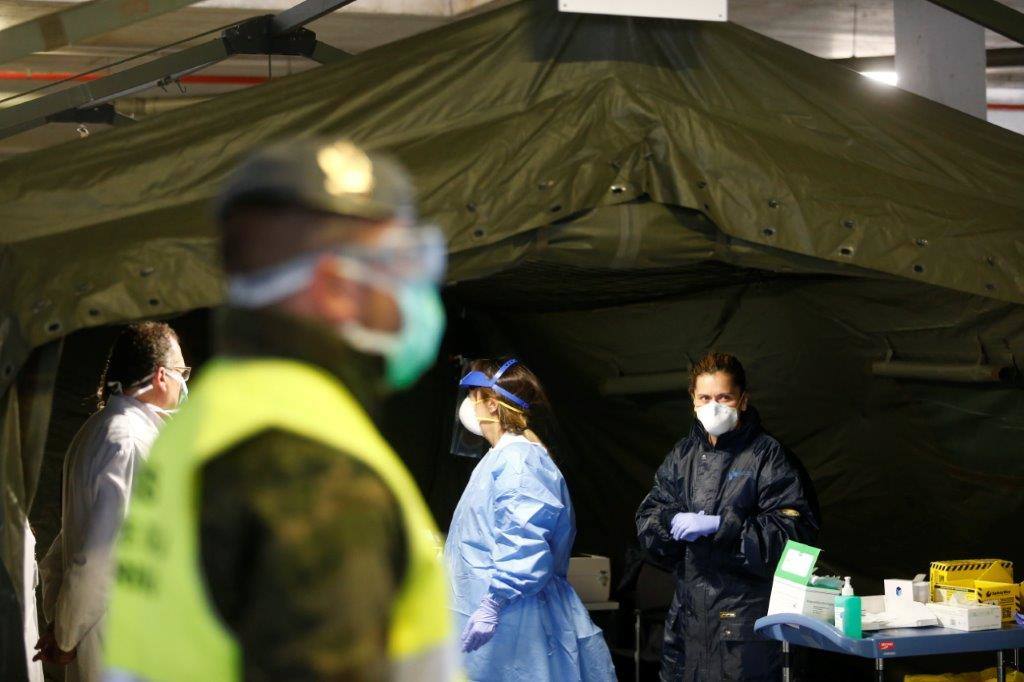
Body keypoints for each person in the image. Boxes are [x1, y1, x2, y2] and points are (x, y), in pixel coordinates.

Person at [103, 139, 459, 681]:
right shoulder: (311, 467)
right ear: (338, 287)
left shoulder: (214, 415)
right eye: (400, 263)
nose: (417, 289)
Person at [636, 352, 819, 682]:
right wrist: (668, 525)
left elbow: (796, 536)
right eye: (705, 397)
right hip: (688, 628)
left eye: (724, 397)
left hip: (745, 631)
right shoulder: (681, 456)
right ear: (693, 400)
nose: (714, 406)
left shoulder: (768, 457)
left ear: (743, 401)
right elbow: (648, 520)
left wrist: (725, 526)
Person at [445, 358, 617, 682]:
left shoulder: (519, 460)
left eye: (474, 396)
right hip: (495, 624)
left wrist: (493, 603)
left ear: (493, 405)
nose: (468, 406)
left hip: (512, 626)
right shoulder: (500, 459)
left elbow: (523, 540)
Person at [36, 322, 187, 682]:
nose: (185, 383)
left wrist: (63, 624)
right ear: (162, 376)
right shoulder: (129, 442)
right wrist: (67, 635)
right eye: (183, 372)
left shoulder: (100, 430)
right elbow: (101, 555)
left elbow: (67, 539)